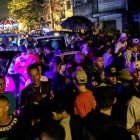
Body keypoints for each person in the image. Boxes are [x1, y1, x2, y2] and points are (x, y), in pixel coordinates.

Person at [20, 63, 53, 127]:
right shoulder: (25, 91)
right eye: (32, 76)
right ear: (29, 76)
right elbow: (22, 109)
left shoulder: (47, 85)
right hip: (34, 123)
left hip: (47, 120)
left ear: (39, 74)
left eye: (36, 75)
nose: (35, 78)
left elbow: (52, 101)